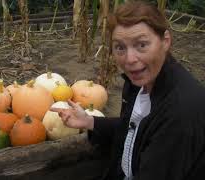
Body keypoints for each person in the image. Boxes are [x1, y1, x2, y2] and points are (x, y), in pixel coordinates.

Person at [51, 1, 205, 180]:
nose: (129, 59)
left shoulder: (181, 112)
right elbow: (136, 128)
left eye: (141, 45)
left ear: (165, 41)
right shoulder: (140, 82)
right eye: (120, 47)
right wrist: (89, 121)